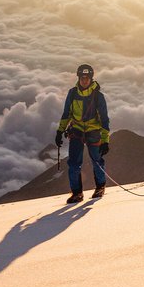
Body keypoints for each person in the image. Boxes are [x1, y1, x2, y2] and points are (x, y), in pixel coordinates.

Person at [55, 64, 111, 203]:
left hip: (93, 131)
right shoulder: (72, 93)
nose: (84, 80)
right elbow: (66, 114)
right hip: (77, 131)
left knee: (97, 161)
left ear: (91, 78)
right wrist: (59, 131)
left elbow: (104, 119)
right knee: (74, 163)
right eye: (82, 77)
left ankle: (100, 187)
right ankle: (77, 193)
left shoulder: (98, 96)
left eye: (87, 77)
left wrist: (105, 140)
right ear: (79, 78)